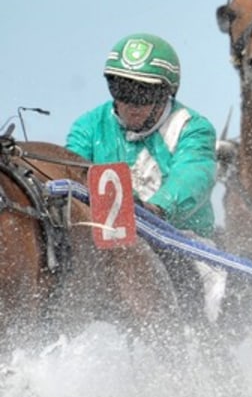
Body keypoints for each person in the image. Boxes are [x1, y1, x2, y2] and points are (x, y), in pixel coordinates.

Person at [67, 33, 224, 319]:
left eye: (144, 93)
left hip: (180, 239)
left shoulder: (193, 127)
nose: (131, 103)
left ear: (167, 92)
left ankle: (209, 347)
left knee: (213, 292)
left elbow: (194, 174)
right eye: (121, 89)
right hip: (105, 244)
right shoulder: (87, 126)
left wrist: (157, 208)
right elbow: (69, 173)